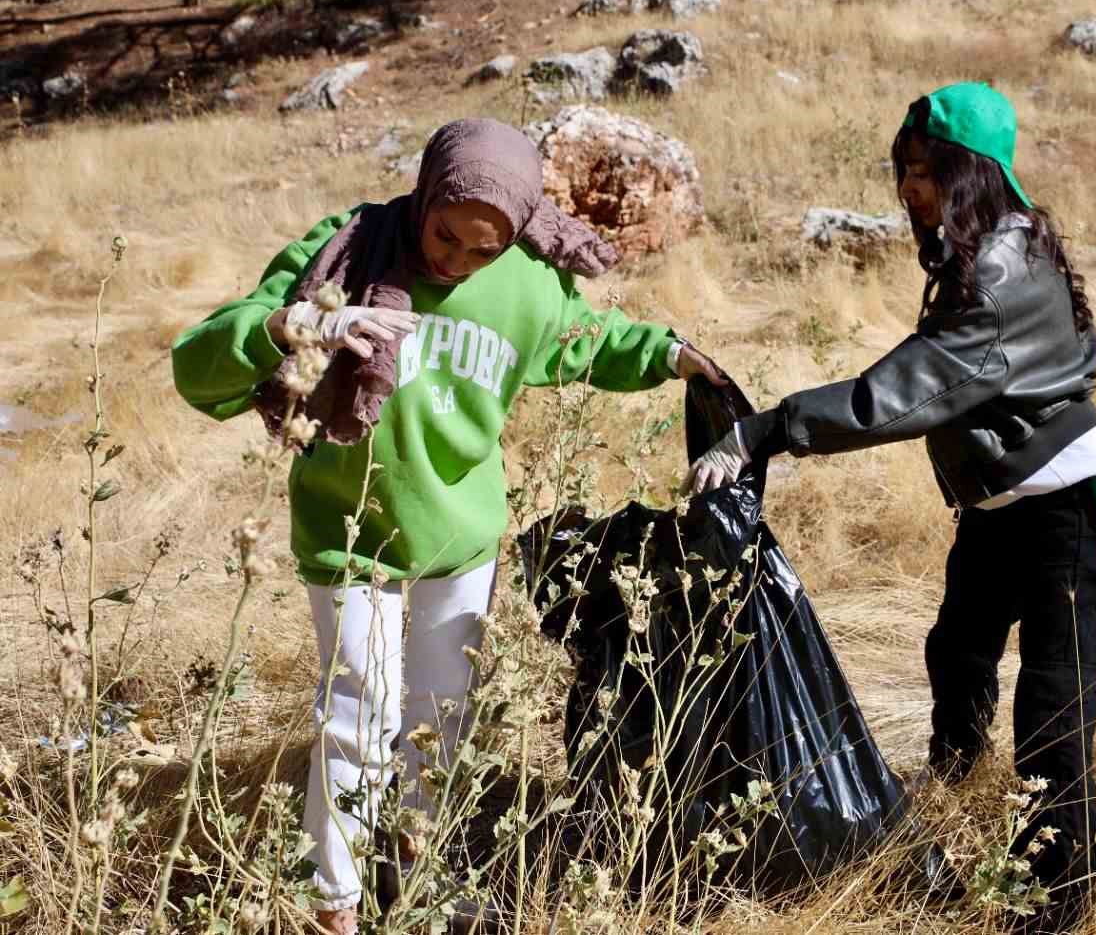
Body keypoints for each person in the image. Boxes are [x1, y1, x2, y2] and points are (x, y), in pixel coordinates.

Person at [172, 118, 723, 935]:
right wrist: (294, 326)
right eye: (444, 233)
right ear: (427, 194)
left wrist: (672, 355)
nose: (455, 259)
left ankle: (415, 862)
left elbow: (587, 341)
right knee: (358, 710)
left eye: (482, 249)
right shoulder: (351, 249)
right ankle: (336, 903)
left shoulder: (526, 285)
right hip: (345, 530)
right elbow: (197, 362)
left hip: (457, 537)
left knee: (439, 720)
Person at [690, 83, 1096, 932]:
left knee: (1054, 706)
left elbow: (897, 395)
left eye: (925, 170)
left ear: (969, 172)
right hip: (1003, 503)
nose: (909, 188)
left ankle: (1055, 902)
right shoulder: (997, 244)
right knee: (958, 650)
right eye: (903, 170)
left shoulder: (997, 271)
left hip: (1059, 509)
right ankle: (953, 786)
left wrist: (767, 431)